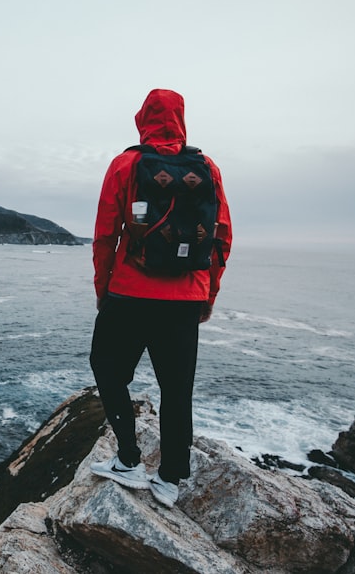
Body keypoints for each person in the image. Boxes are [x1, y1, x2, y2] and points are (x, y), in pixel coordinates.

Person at [88, 88, 232, 508]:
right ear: (181, 119)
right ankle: (169, 480)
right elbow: (222, 237)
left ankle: (129, 461)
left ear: (142, 119)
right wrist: (208, 295)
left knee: (108, 368)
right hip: (186, 297)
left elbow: (104, 236)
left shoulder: (126, 164)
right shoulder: (207, 167)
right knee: (177, 388)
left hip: (129, 293)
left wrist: (103, 291)